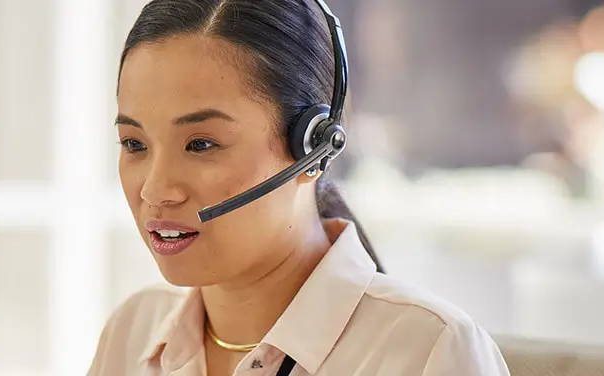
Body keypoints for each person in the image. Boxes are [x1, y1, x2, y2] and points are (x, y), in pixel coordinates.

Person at [87, 1, 510, 375]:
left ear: (313, 147)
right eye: (134, 144)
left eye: (201, 144)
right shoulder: (133, 331)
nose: (156, 191)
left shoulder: (428, 351)